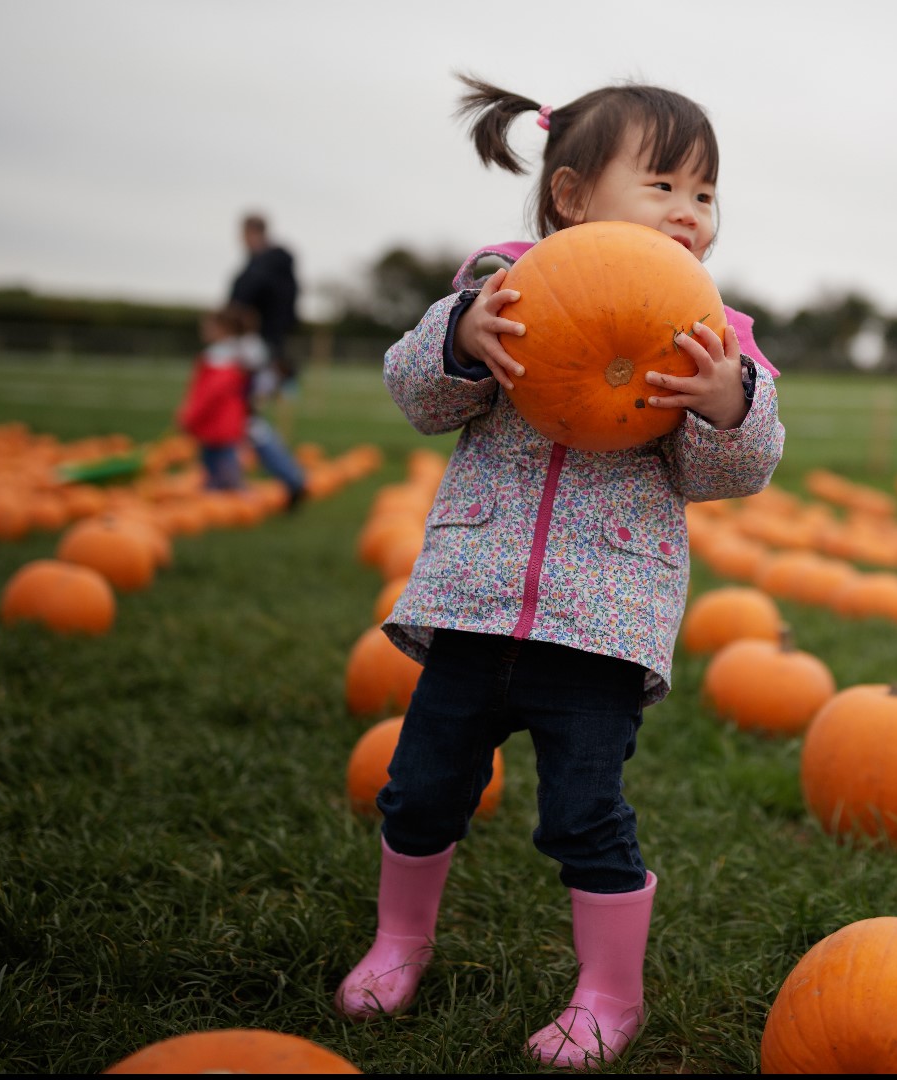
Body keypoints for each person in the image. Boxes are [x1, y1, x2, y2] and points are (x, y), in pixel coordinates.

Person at [334, 76, 784, 1069]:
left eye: (705, 194)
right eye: (662, 182)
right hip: (473, 607)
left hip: (602, 626)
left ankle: (609, 996)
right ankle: (398, 944)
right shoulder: (500, 286)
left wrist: (725, 402)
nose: (688, 212)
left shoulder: (715, 333)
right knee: (418, 789)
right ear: (574, 197)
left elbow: (736, 473)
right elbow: (418, 395)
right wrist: (460, 341)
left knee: (586, 814)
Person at [228, 213, 308, 508]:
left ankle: (291, 479)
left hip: (260, 351)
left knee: (244, 417)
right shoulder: (267, 266)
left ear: (252, 232)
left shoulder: (266, 266)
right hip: (263, 349)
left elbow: (245, 303)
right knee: (243, 417)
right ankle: (285, 478)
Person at [174, 305, 255, 492]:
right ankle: (220, 491)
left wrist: (189, 417)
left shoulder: (218, 361)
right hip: (221, 424)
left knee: (225, 471)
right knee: (216, 468)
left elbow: (208, 396)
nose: (203, 330)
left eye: (208, 327)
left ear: (222, 330)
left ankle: (235, 496)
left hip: (218, 425)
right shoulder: (229, 358)